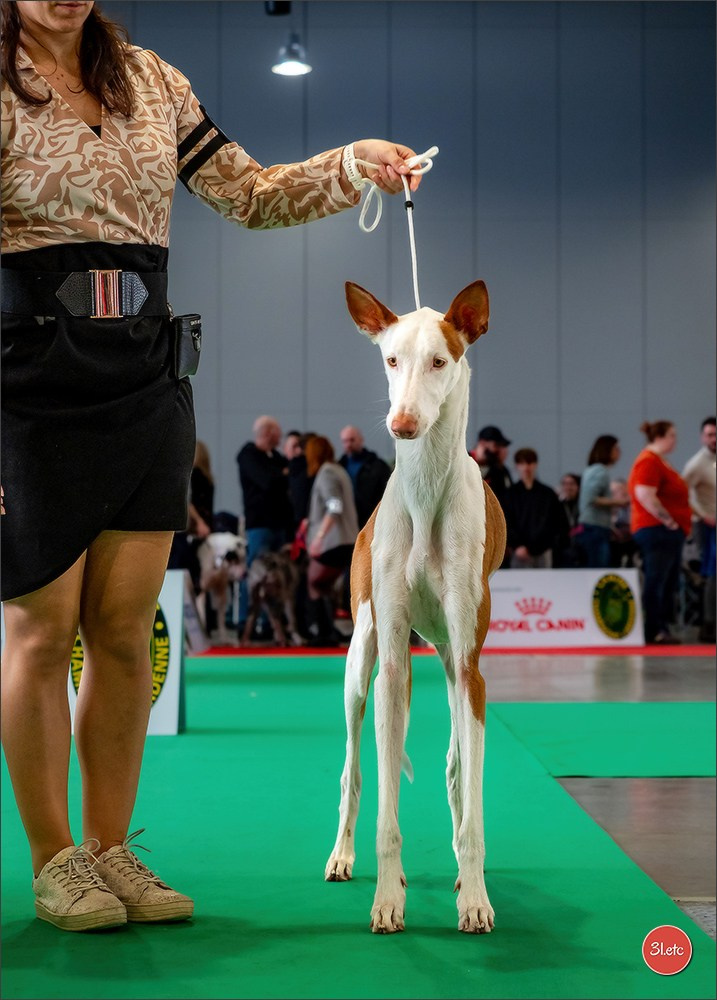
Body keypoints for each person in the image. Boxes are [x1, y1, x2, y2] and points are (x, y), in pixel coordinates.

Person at [0, 0, 422, 932]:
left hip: (146, 377)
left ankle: (111, 853)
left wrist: (355, 160)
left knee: (119, 633)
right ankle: (54, 862)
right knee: (40, 633)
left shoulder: (153, 79)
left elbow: (253, 193)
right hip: (24, 382)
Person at [628, 421, 692, 644]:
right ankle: (654, 629)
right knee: (657, 580)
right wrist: (668, 520)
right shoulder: (649, 461)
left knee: (665, 581)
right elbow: (644, 494)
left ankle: (660, 626)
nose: (675, 440)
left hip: (665, 531)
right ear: (660, 437)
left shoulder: (659, 461)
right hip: (657, 530)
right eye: (672, 435)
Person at [302, 435, 359, 646]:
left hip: (333, 541)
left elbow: (334, 507)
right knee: (323, 585)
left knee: (313, 582)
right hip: (347, 539)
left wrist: (318, 537)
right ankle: (329, 630)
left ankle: (324, 633)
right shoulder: (338, 470)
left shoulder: (326, 473)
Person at [504, 448, 569, 569]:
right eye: (522, 463)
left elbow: (556, 522)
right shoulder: (510, 494)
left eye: (530, 463)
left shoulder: (548, 494)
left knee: (544, 585)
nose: (526, 467)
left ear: (535, 465)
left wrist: (542, 545)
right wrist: (517, 545)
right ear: (517, 466)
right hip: (519, 551)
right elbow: (506, 522)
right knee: (520, 585)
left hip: (543, 550)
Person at [682, 417, 716, 642]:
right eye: (710, 435)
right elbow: (681, 493)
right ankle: (708, 624)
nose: (714, 439)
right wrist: (703, 515)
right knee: (711, 574)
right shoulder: (697, 463)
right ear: (702, 437)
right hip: (708, 526)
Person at [577, 435, 629, 568]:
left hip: (593, 527)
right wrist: (620, 502)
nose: (619, 452)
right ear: (607, 450)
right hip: (595, 529)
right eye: (616, 449)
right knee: (598, 571)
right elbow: (591, 498)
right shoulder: (600, 471)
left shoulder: (592, 470)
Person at [338, 425, 392, 529]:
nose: (348, 444)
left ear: (361, 440)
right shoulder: (339, 466)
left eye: (352, 440)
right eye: (345, 441)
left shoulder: (377, 465)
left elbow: (388, 493)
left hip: (372, 519)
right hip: (347, 520)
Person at [470, 425, 513, 510]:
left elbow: (507, 500)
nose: (497, 450)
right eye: (495, 445)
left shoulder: (499, 471)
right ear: (482, 443)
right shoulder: (464, 462)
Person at [554, 472, 584, 567]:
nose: (568, 487)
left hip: (581, 549)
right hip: (561, 549)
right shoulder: (557, 505)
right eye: (565, 484)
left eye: (571, 484)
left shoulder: (583, 506)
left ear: (578, 487)